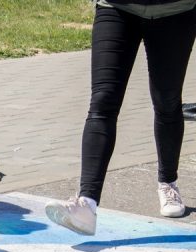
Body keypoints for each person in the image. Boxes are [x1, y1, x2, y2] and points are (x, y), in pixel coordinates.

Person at [45, 0, 196, 235]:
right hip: (116, 7)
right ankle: (87, 203)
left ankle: (168, 183)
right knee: (102, 101)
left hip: (175, 10)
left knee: (167, 102)